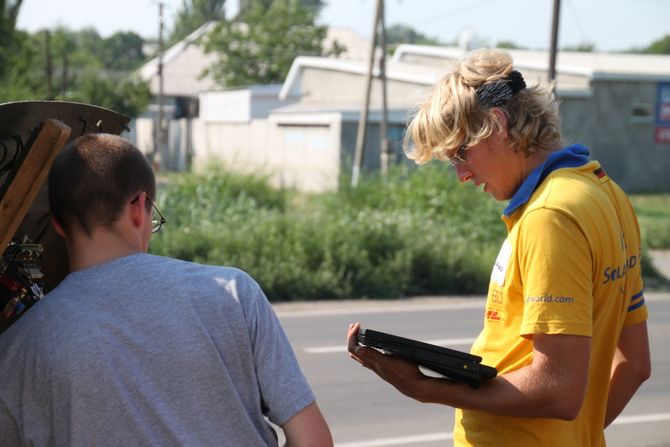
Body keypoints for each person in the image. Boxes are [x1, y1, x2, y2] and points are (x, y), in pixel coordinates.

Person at [347, 49, 651, 446]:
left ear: (497, 124)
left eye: (460, 153)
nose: (462, 175)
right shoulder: (606, 192)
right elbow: (635, 364)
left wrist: (426, 388)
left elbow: (557, 389)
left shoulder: (549, 215)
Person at [0, 133, 332, 447]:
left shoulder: (17, 349)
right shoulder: (233, 292)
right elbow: (314, 440)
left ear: (57, 224)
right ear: (137, 207)